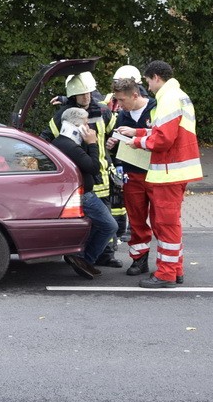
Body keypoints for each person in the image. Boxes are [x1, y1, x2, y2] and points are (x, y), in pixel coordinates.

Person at [115, 60, 202, 288]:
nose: (148, 87)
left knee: (165, 225)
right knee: (169, 224)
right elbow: (161, 131)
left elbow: (162, 139)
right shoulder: (175, 95)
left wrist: (136, 140)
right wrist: (139, 131)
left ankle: (166, 275)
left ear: (155, 77)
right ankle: (175, 269)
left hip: (168, 171)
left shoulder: (168, 97)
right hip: (172, 170)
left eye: (147, 81)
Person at [41, 71, 120, 268]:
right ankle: (83, 255)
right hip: (83, 175)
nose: (86, 97)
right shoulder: (64, 116)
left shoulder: (103, 112)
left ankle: (105, 255)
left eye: (89, 93)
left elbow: (116, 131)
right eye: (82, 94)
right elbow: (46, 139)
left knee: (107, 215)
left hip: (102, 172)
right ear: (73, 95)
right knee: (93, 219)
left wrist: (114, 141)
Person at [53, 106, 118, 279]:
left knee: (94, 226)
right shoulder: (70, 146)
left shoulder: (62, 142)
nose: (89, 126)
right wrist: (92, 143)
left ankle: (81, 256)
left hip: (78, 193)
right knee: (110, 225)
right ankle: (84, 259)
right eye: (86, 122)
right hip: (85, 195)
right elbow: (94, 167)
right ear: (77, 125)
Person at [106, 76, 157, 277]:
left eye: (122, 100)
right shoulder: (122, 115)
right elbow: (121, 143)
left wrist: (136, 135)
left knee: (161, 221)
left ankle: (167, 264)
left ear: (135, 95)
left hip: (155, 173)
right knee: (136, 220)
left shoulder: (155, 108)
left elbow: (163, 135)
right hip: (132, 173)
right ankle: (139, 259)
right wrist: (113, 144)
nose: (119, 105)